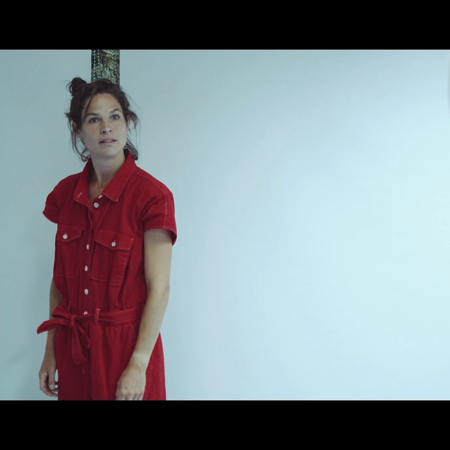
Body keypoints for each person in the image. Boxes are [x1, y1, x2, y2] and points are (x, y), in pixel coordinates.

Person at [37, 77, 177, 400]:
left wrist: (138, 364)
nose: (106, 128)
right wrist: (51, 350)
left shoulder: (152, 197)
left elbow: (159, 289)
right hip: (74, 350)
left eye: (115, 116)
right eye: (93, 119)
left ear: (128, 122)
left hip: (126, 352)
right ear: (78, 130)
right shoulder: (64, 194)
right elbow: (59, 285)